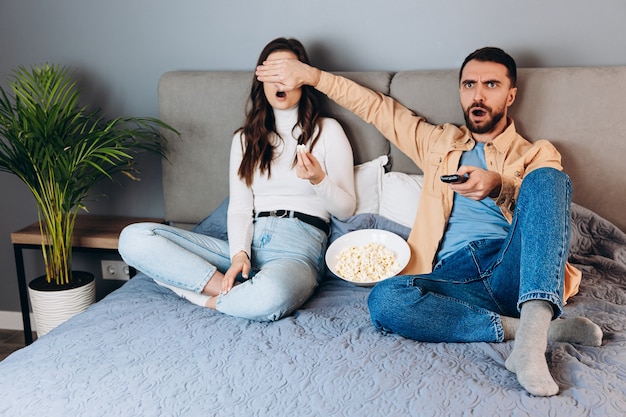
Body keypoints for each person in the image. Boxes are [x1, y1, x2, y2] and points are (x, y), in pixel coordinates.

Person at [255, 46, 603, 396]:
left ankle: (530, 341)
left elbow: (547, 209)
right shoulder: (439, 143)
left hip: (513, 268)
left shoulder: (534, 152)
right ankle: (533, 329)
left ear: (511, 94)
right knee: (385, 299)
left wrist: (498, 186)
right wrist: (311, 76)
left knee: (548, 179)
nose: (478, 94)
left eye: (491, 85)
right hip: (454, 277)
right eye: (469, 84)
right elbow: (376, 107)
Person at [118, 37, 356, 322]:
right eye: (272, 73)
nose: (279, 81)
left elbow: (346, 209)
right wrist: (239, 255)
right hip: (246, 244)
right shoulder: (245, 140)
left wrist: (319, 179)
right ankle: (232, 291)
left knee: (271, 294)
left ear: (303, 79)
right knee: (134, 238)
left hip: (298, 249)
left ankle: (203, 298)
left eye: (287, 72)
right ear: (260, 80)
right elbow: (241, 207)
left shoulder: (327, 130)